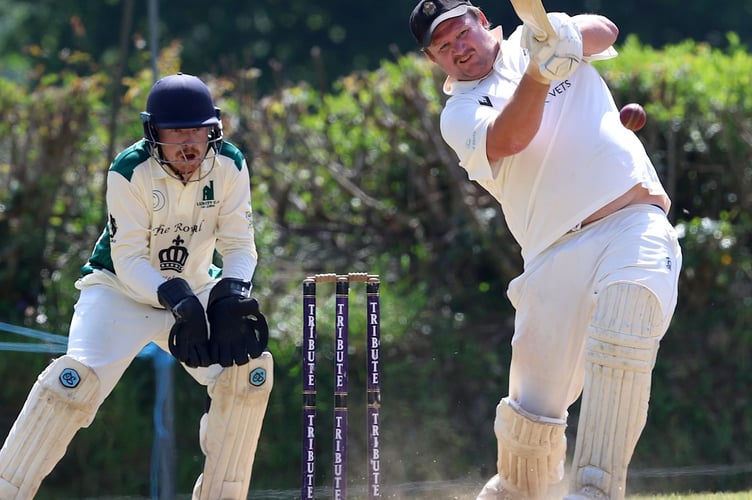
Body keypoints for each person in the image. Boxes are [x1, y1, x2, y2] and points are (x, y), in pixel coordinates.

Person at [409, 1, 681, 499]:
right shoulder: (460, 113)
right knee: (532, 420)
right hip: (553, 255)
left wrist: (564, 36)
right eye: (443, 46)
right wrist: (539, 75)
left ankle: (596, 489)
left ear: (483, 21)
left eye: (461, 33)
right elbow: (510, 138)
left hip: (632, 219)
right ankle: (513, 491)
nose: (458, 49)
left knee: (627, 325)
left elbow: (605, 30)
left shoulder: (533, 38)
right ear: (433, 60)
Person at [0, 73, 273, 499]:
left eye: (198, 131)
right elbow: (127, 258)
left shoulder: (230, 164)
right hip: (119, 292)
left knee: (247, 378)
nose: (189, 145)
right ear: (153, 132)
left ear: (213, 129)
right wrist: (176, 298)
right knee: (71, 384)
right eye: (177, 132)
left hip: (195, 287)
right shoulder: (129, 170)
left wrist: (231, 294)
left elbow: (239, 245)